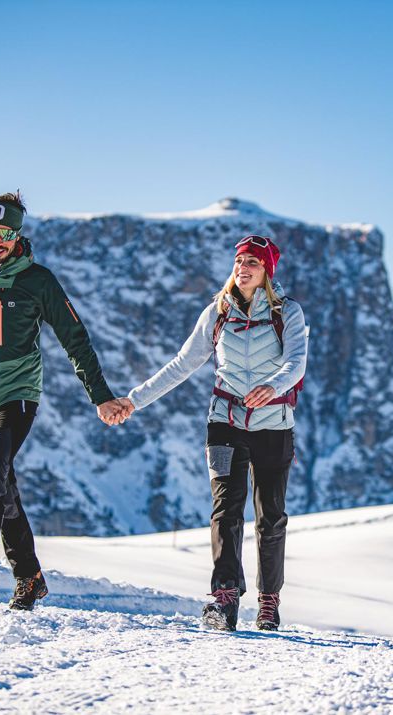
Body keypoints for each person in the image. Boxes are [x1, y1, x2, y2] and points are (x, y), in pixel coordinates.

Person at [0, 191, 131, 611]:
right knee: (2, 488)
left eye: (6, 232)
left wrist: (101, 396)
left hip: (19, 395)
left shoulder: (38, 280)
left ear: (18, 234)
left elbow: (75, 339)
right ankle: (30, 577)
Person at [118, 235, 307, 631]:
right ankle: (224, 599)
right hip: (224, 423)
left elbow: (296, 363)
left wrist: (272, 387)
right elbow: (183, 364)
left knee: (270, 516)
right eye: (239, 260)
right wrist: (135, 400)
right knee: (226, 509)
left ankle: (268, 602)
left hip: (274, 426)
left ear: (267, 270)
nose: (244, 267)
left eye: (253, 261)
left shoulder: (287, 313)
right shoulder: (218, 313)